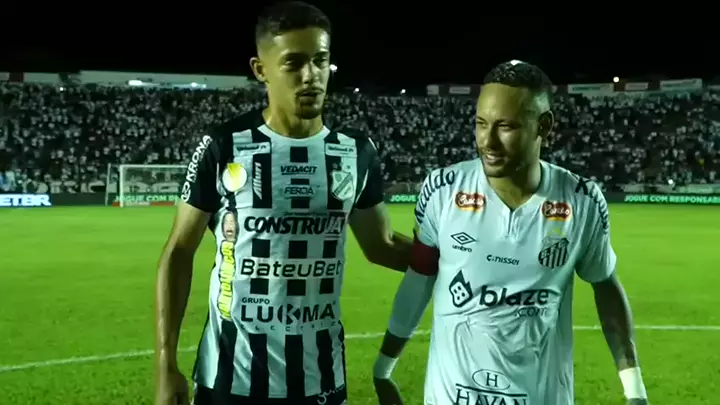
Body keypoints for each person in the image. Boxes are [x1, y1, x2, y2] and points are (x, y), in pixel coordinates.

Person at [153, 2, 412, 405]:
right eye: (294, 63)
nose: (311, 76)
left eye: (320, 60)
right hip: (230, 378)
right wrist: (166, 364)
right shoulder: (224, 145)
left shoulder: (356, 152)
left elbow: (383, 245)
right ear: (261, 70)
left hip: (320, 378)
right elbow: (179, 251)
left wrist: (464, 259)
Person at [372, 61, 649, 405]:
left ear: (544, 126)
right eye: (481, 123)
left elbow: (605, 285)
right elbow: (420, 276)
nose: (488, 141)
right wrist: (383, 367)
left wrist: (635, 391)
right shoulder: (443, 189)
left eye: (506, 126)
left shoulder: (581, 201)